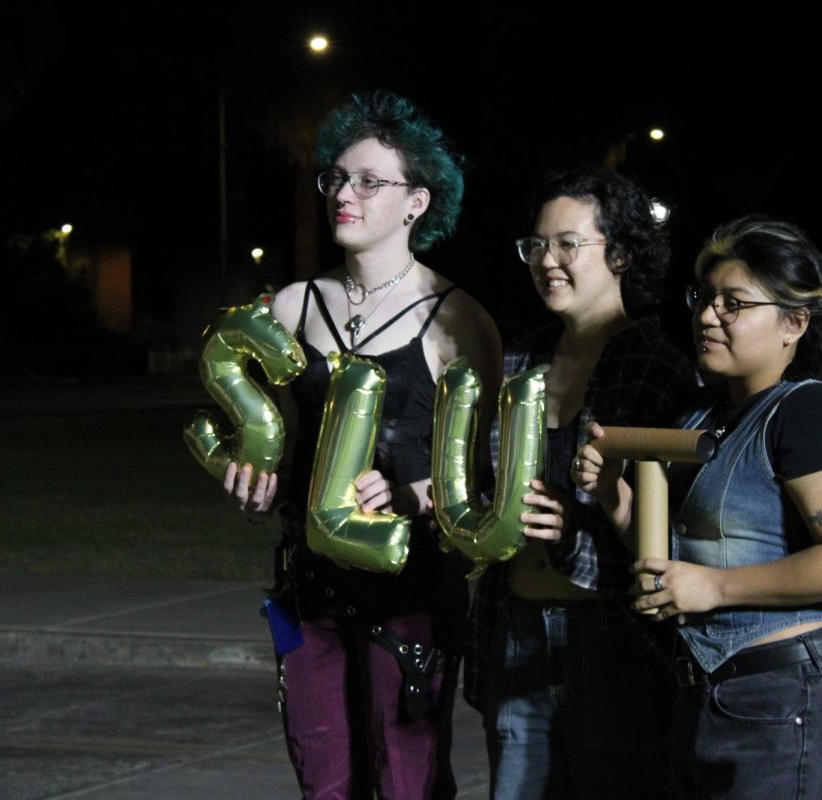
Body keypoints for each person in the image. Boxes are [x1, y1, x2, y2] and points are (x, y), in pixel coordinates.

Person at [227, 91, 502, 800]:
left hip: (410, 591)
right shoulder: (292, 308)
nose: (345, 194)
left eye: (369, 181)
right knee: (323, 780)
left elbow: (483, 480)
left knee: (405, 781)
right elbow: (268, 437)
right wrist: (252, 470)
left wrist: (410, 493)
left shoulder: (459, 320)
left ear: (417, 202)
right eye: (337, 179)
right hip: (309, 590)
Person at [576, 217, 822, 799]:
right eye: (704, 298)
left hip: (793, 700)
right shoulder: (701, 412)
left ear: (794, 323)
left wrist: (714, 588)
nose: (708, 316)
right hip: (707, 697)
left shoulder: (811, 413)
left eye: (734, 303)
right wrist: (612, 493)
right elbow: (674, 564)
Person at [465, 167, 699, 799]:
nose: (548, 260)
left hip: (611, 635)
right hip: (516, 625)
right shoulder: (520, 360)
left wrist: (581, 521)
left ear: (620, 253)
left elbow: (686, 533)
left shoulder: (657, 366)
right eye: (536, 245)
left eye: (569, 244)